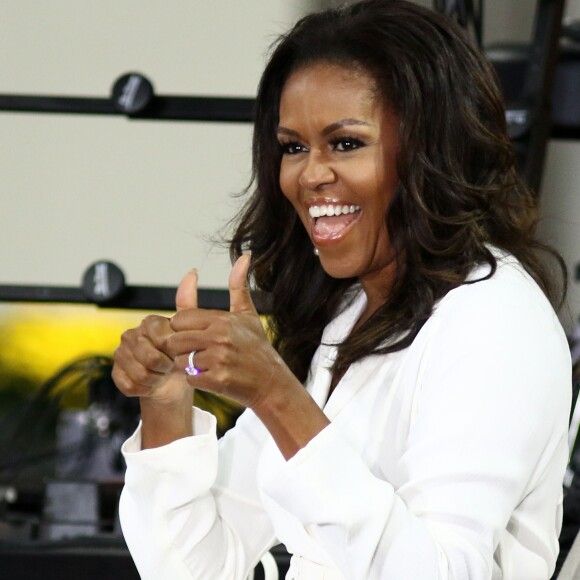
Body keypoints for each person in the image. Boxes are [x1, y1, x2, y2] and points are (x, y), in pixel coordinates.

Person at [112, 1, 572, 578]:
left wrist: (279, 396)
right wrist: (166, 406)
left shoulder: (494, 322)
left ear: (433, 148)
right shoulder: (351, 316)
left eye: (346, 143)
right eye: (293, 146)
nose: (309, 175)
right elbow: (196, 566)